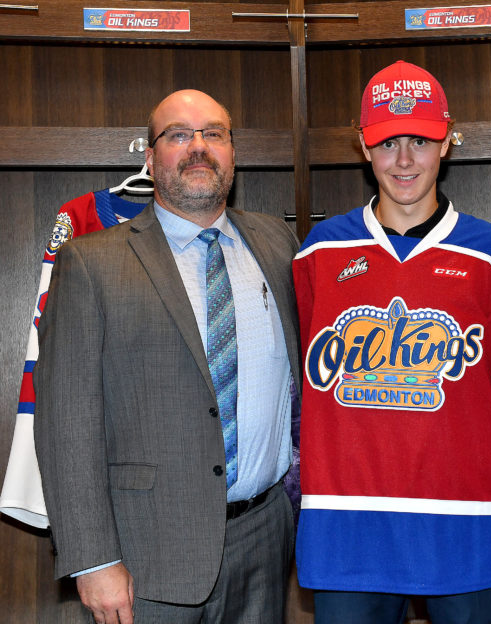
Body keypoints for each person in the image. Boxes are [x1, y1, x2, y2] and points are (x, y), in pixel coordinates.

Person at [33, 89, 300, 624]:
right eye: (178, 134)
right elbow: (66, 424)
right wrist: (93, 560)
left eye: (213, 134)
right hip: (144, 556)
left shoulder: (278, 243)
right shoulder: (90, 263)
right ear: (151, 158)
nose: (198, 147)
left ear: (233, 153)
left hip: (265, 541)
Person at [293, 60, 491, 623]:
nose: (403, 160)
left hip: (467, 521)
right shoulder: (319, 252)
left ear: (446, 141)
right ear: (363, 145)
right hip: (349, 523)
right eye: (387, 142)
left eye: (419, 141)